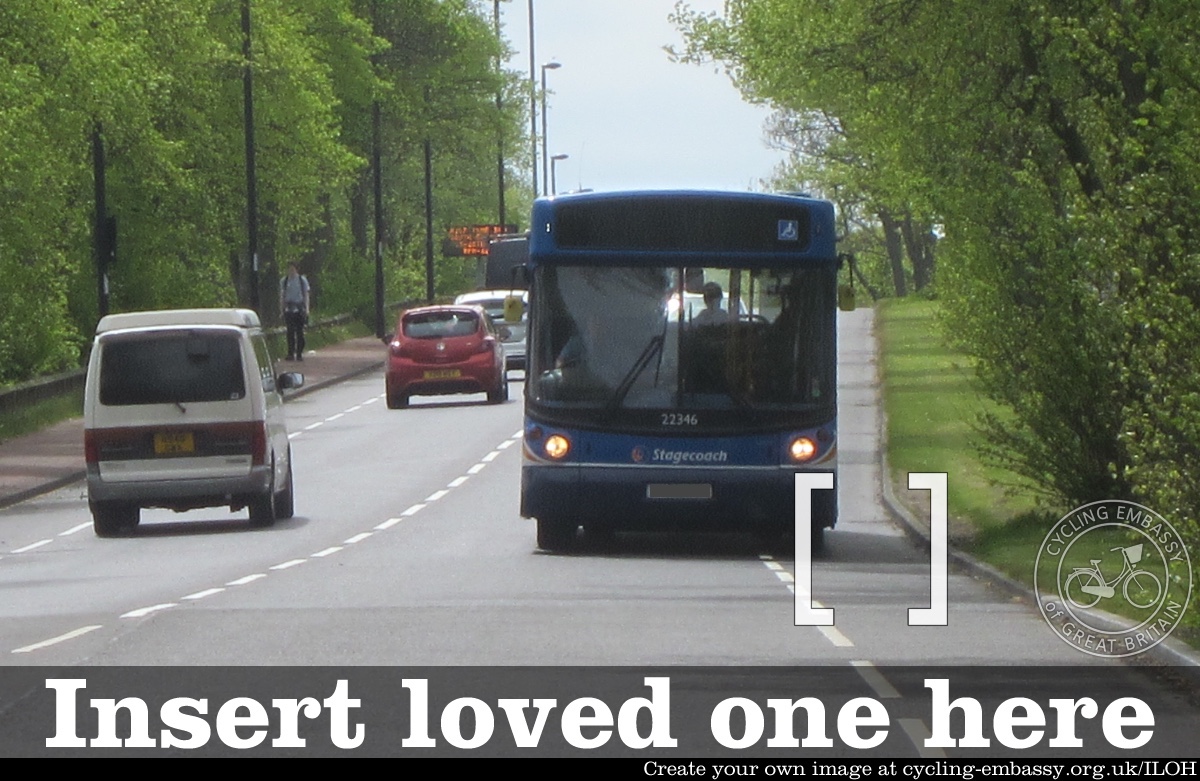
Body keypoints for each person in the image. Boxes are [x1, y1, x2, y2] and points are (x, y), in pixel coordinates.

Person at [279, 263, 310, 361]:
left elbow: (306, 294)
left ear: (296, 269)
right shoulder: (284, 281)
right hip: (289, 309)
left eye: (292, 269)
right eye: (289, 269)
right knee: (290, 332)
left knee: (300, 332)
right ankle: (290, 353)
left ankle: (299, 353)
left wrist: (307, 309)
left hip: (299, 308)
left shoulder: (302, 280)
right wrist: (281, 309)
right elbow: (282, 295)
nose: (291, 271)